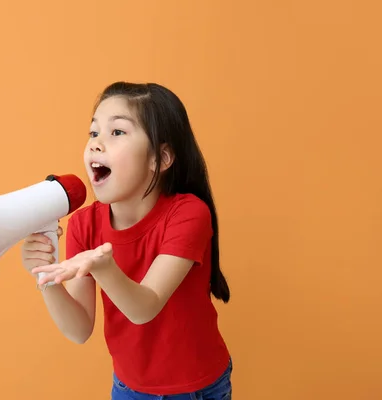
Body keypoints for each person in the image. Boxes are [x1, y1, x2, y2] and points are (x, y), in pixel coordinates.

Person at [21, 81, 233, 399]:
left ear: (160, 159)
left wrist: (104, 267)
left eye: (117, 132)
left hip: (199, 389)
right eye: (93, 133)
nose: (96, 144)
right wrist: (46, 276)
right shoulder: (83, 224)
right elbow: (79, 330)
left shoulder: (189, 214)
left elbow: (145, 306)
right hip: (129, 389)